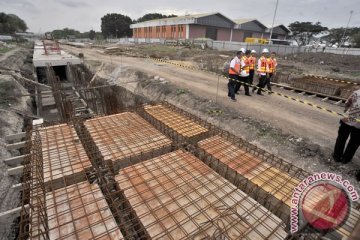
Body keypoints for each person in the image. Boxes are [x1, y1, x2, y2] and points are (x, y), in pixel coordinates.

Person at [333, 88, 360, 164]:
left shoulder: (357, 93)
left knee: (341, 138)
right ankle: (346, 159)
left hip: (347, 120)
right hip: (359, 126)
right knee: (354, 143)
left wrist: (346, 112)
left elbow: (347, 103)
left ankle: (336, 156)